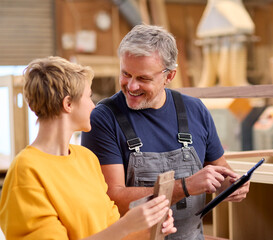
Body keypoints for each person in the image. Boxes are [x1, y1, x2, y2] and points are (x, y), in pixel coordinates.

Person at [81, 24, 250, 240]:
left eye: (143, 78)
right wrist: (186, 186)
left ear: (169, 76)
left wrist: (231, 185)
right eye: (126, 74)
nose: (131, 86)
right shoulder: (104, 118)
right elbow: (113, 198)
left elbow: (220, 169)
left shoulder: (194, 110)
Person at [0, 56, 176, 239]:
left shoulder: (87, 159)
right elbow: (117, 230)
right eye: (89, 96)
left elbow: (111, 231)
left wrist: (147, 229)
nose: (93, 106)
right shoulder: (26, 170)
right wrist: (126, 225)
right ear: (68, 104)